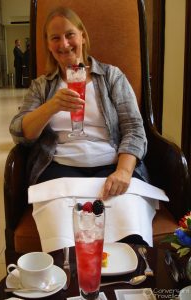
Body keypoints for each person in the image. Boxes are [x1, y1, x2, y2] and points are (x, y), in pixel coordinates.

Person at [10, 7, 151, 245]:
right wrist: (51, 106)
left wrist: (124, 171)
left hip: (111, 165)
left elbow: (134, 128)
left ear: (83, 36)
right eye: (55, 38)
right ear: (48, 44)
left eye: (70, 35)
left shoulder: (111, 76)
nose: (64, 44)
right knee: (65, 240)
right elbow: (20, 133)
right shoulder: (42, 86)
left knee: (129, 234)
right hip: (59, 168)